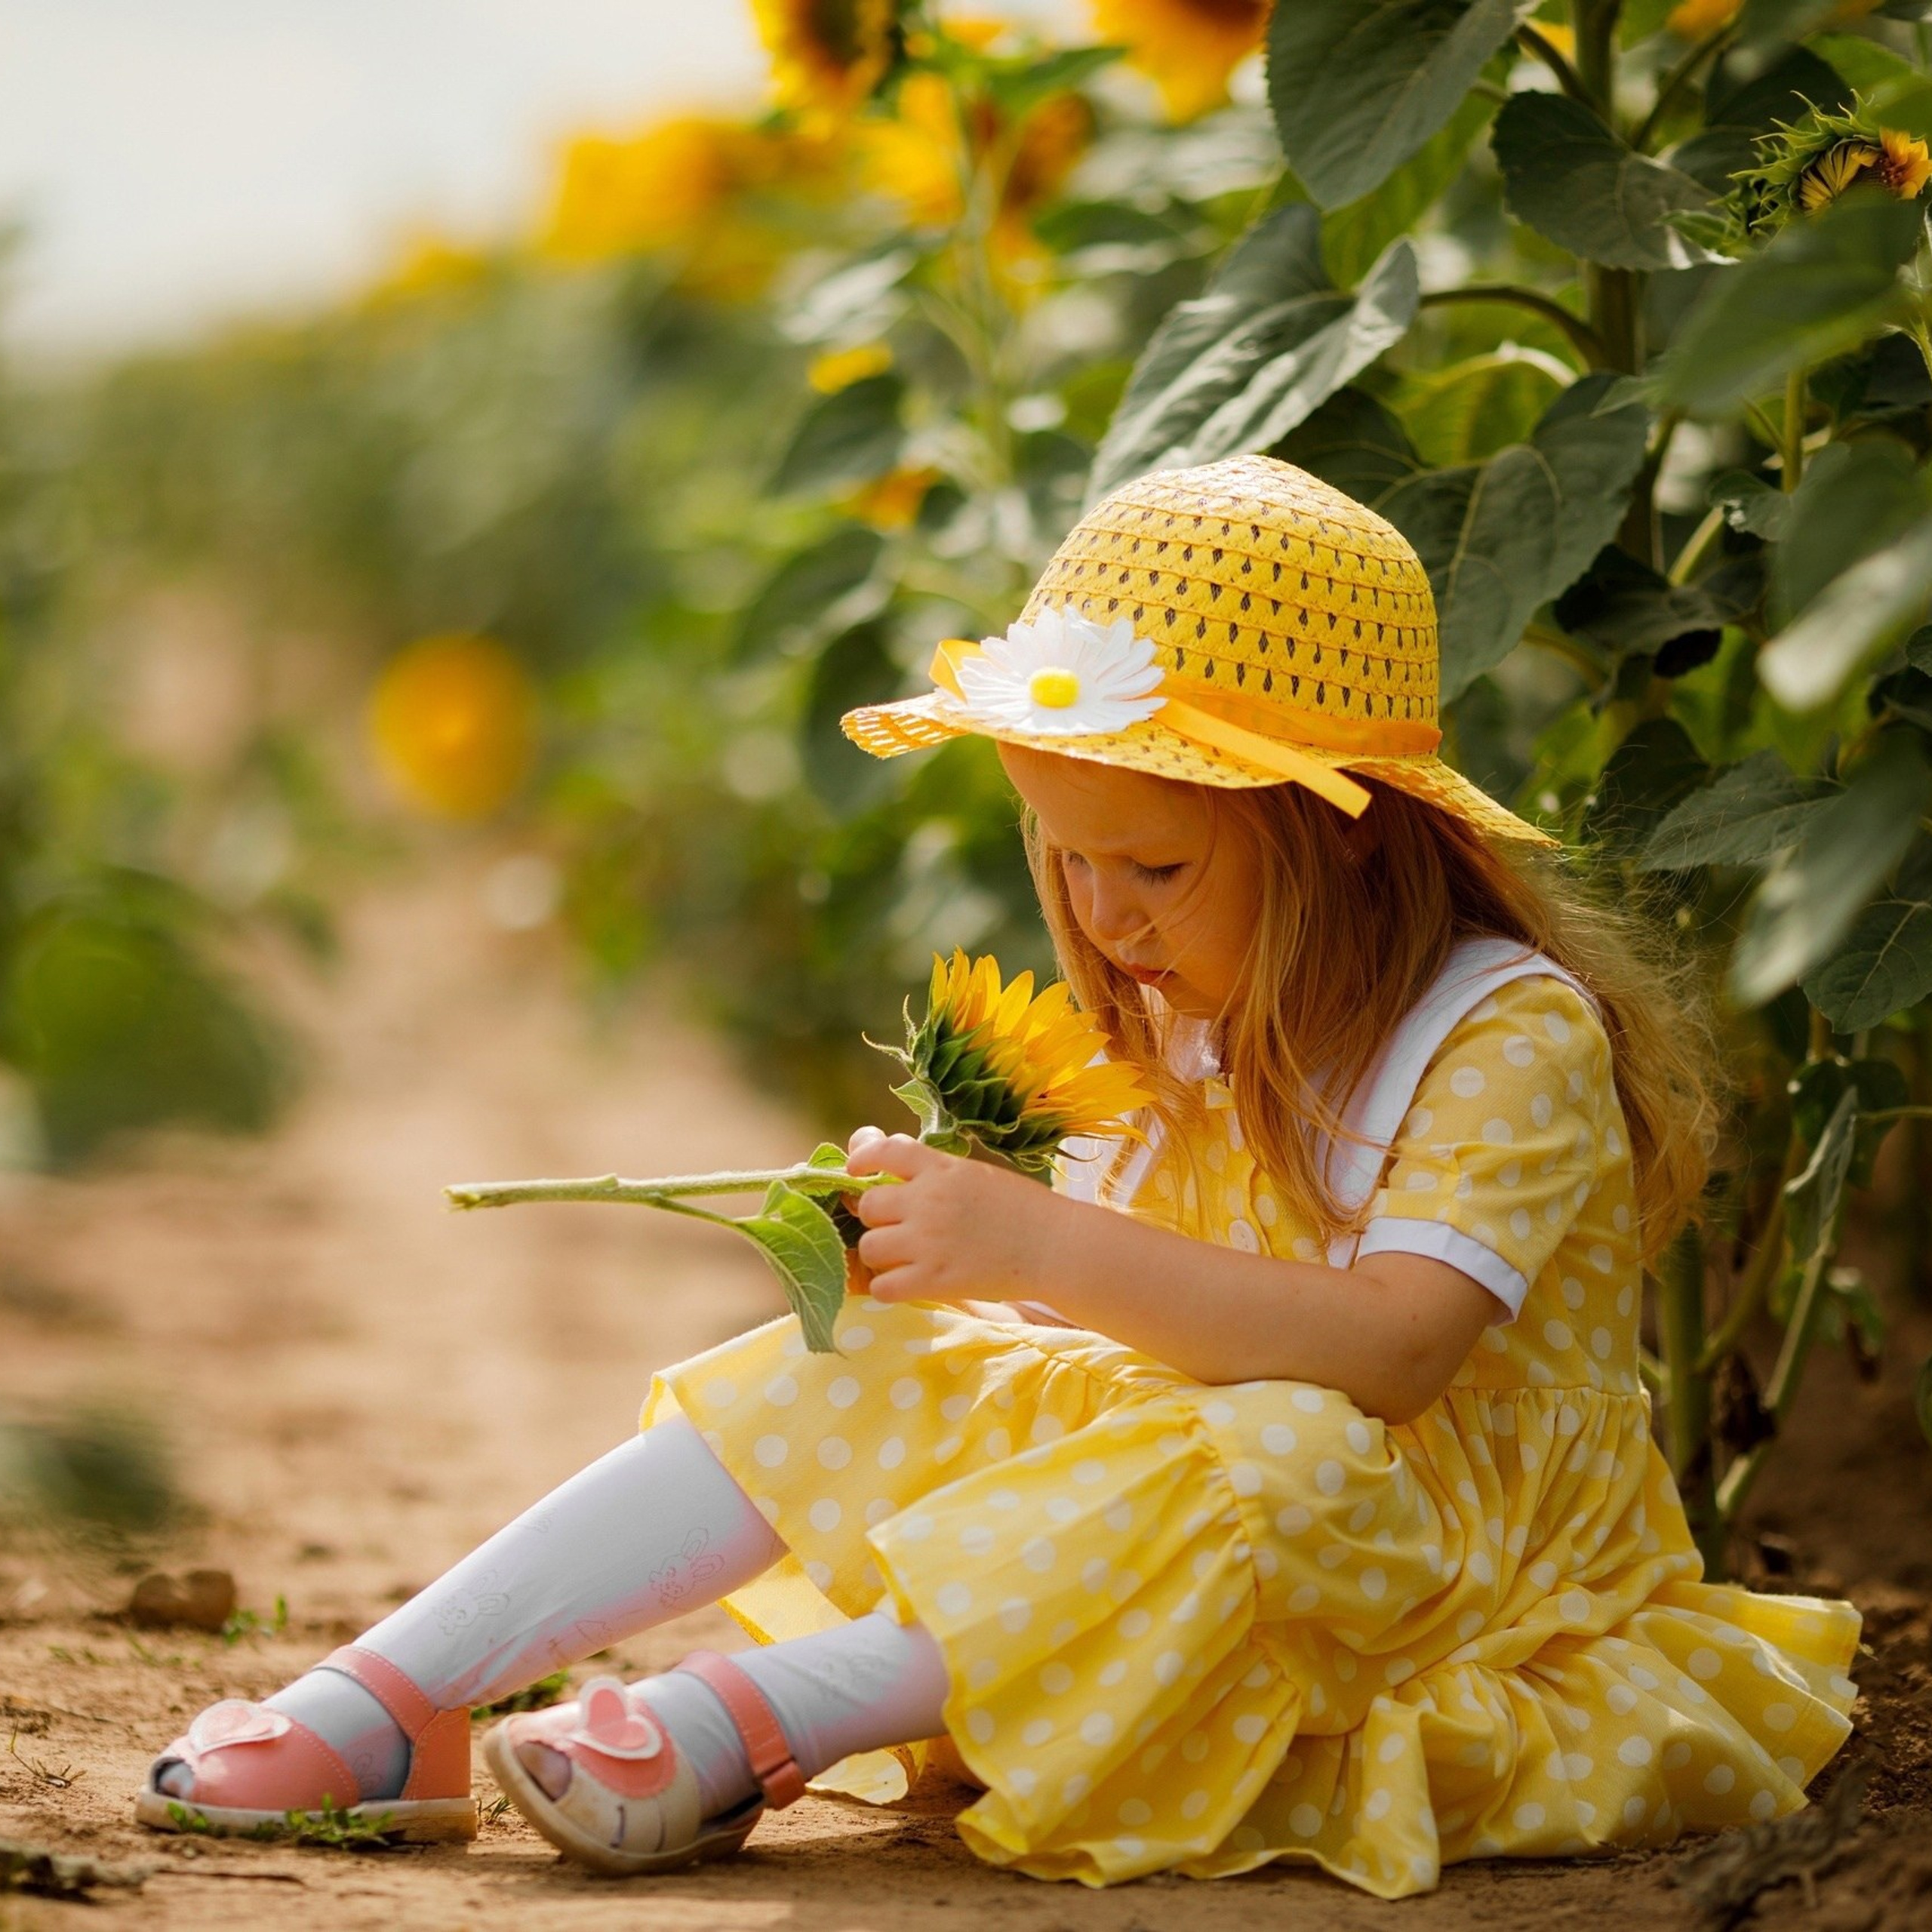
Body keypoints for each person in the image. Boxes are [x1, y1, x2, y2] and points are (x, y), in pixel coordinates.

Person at [134, 454, 1861, 1898]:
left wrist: (1034, 1238)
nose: (1100, 917)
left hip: (1449, 1557)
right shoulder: (1182, 1005)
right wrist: (942, 1242)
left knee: (1283, 1439)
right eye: (1061, 852)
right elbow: (1083, 1326)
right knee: (878, 1354)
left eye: (1153, 863)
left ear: (1346, 832)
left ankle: (766, 1713)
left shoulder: (1504, 1033)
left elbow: (1393, 1356)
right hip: (1189, 1512)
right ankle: (400, 1686)